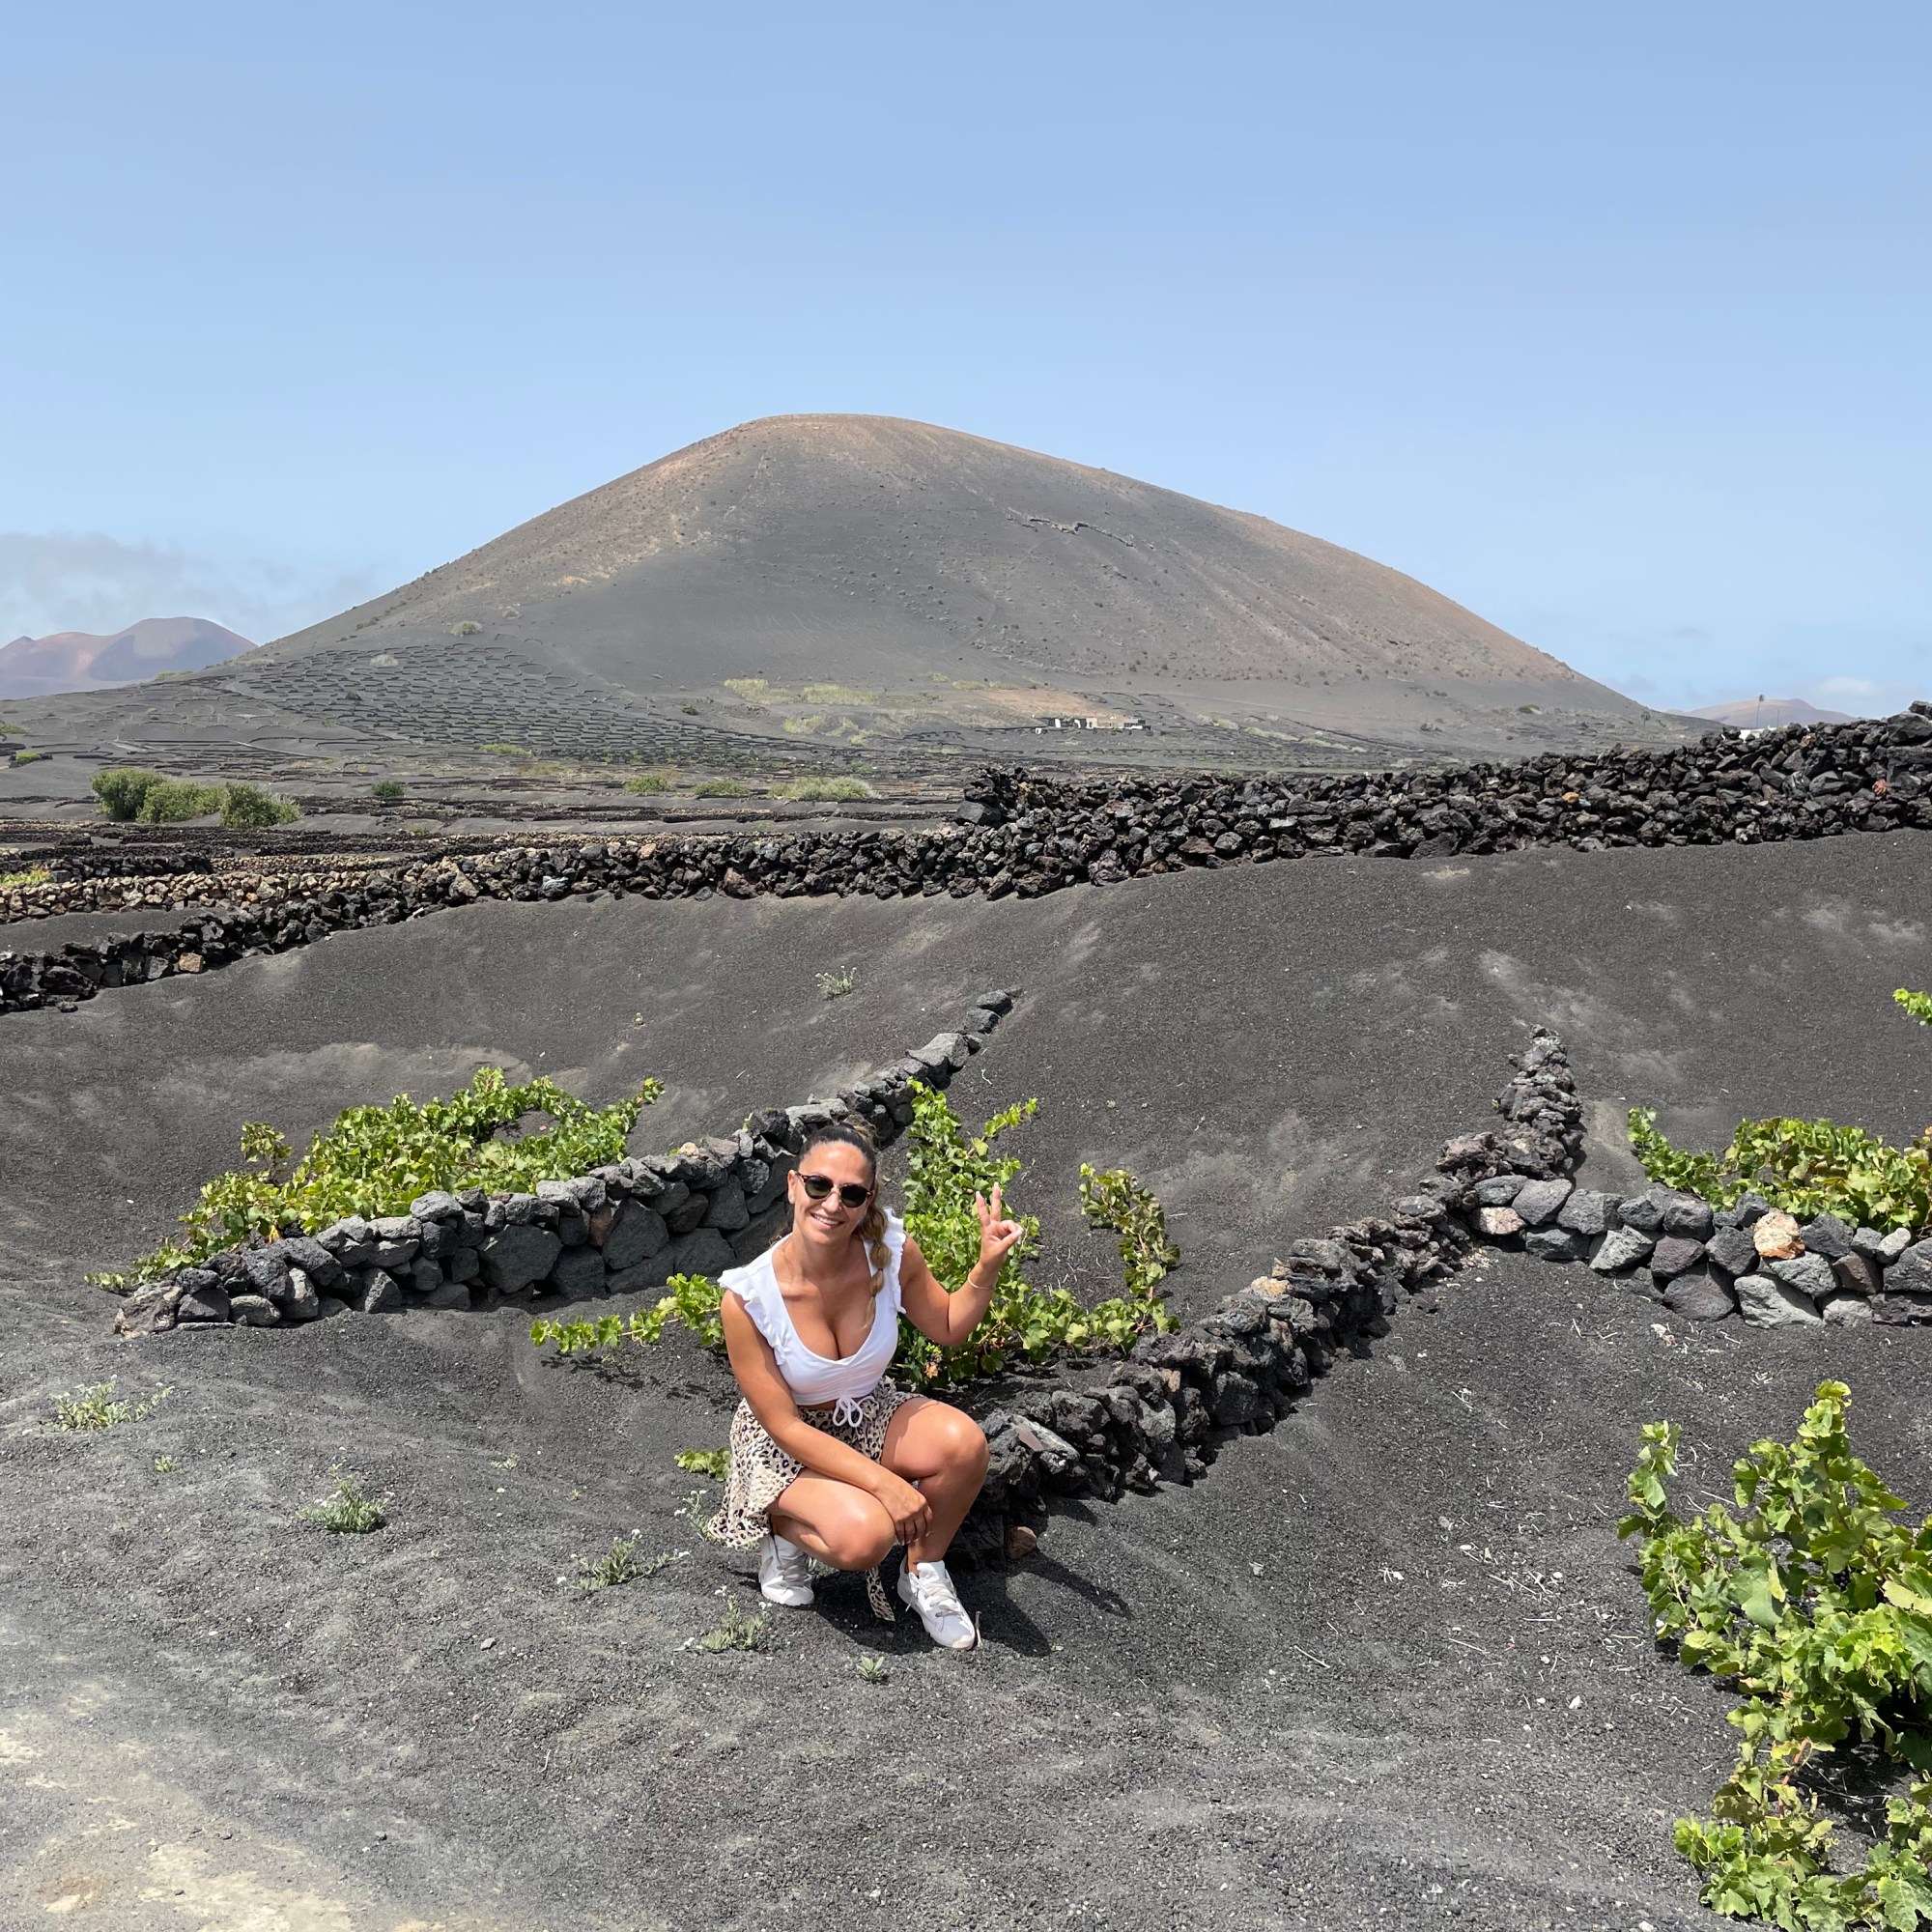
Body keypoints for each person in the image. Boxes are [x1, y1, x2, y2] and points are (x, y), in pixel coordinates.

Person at [707, 1120, 1022, 1649]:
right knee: (867, 1537)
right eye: (819, 1185)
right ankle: (782, 1528)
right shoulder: (748, 1299)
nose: (833, 1203)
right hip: (789, 1444)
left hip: (866, 1412)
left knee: (964, 1445)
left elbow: (947, 1327)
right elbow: (783, 1425)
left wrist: (986, 1266)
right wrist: (884, 1484)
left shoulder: (891, 1252)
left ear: (867, 1199)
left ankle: (922, 1572)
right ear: (792, 1185)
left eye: (851, 1193)